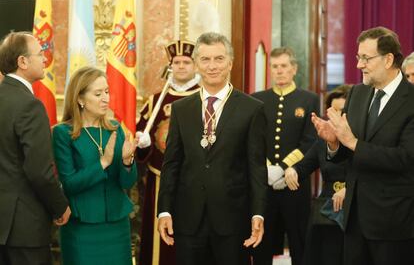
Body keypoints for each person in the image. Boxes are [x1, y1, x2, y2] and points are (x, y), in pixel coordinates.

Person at [157, 32, 267, 265]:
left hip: (233, 219)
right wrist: (164, 210)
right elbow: (171, 164)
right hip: (188, 220)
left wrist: (258, 213)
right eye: (205, 59)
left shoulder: (252, 109)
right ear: (196, 64)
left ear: (230, 62)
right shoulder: (181, 109)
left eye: (219, 59)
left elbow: (256, 167)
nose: (212, 66)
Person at [312, 26, 414, 265]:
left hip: (394, 223)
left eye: (366, 58)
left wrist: (352, 142)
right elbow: (346, 154)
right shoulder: (357, 93)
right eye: (358, 58)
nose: (359, 65)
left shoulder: (411, 101)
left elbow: (405, 159)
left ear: (389, 59)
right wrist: (334, 143)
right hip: (354, 220)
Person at [52, 66, 138, 265]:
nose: (105, 98)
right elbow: (70, 183)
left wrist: (127, 161)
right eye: (98, 93)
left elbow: (127, 183)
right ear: (80, 99)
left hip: (117, 226)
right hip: (82, 228)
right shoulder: (63, 133)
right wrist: (103, 163)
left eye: (107, 92)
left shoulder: (115, 129)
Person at [0, 31, 70, 265]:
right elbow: (39, 170)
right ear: (23, 62)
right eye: (40, 54)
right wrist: (60, 206)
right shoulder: (29, 105)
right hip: (24, 228)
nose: (45, 59)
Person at [251, 47, 319, 265]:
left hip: (294, 182)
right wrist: (268, 169)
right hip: (264, 183)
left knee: (299, 240)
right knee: (262, 240)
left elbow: (309, 140)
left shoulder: (308, 99)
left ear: (294, 69)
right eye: (275, 66)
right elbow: (255, 140)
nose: (279, 71)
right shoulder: (257, 100)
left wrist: (282, 167)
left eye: (284, 66)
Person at [135, 40, 200, 265]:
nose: (180, 66)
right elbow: (140, 134)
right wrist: (142, 143)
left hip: (195, 178)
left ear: (195, 66)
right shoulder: (155, 99)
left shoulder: (205, 97)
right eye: (176, 62)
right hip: (160, 176)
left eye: (186, 62)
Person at [284, 84, 351, 265]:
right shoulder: (323, 141)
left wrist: (349, 189)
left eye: (342, 112)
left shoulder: (360, 139)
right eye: (333, 112)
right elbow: (304, 166)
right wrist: (292, 170)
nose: (336, 118)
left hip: (354, 209)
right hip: (327, 212)